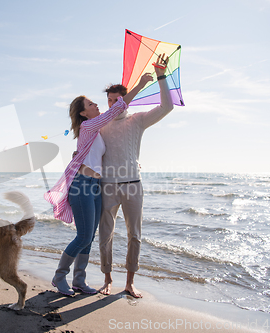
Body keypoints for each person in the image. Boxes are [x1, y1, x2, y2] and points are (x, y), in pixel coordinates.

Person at [45, 73, 154, 296]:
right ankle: (59, 276)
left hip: (96, 186)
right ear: (83, 113)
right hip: (82, 185)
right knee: (83, 236)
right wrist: (141, 85)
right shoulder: (88, 127)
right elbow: (116, 109)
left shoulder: (97, 131)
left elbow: (101, 154)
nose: (97, 105)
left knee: (90, 236)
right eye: (91, 104)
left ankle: (79, 281)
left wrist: (132, 162)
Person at [99, 54, 174, 298]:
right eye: (109, 101)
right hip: (108, 186)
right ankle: (107, 278)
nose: (112, 105)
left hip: (133, 185)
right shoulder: (100, 124)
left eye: (117, 100)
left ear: (126, 101)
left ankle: (130, 282)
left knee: (135, 235)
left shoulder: (137, 120)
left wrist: (161, 75)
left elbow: (167, 107)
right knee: (105, 234)